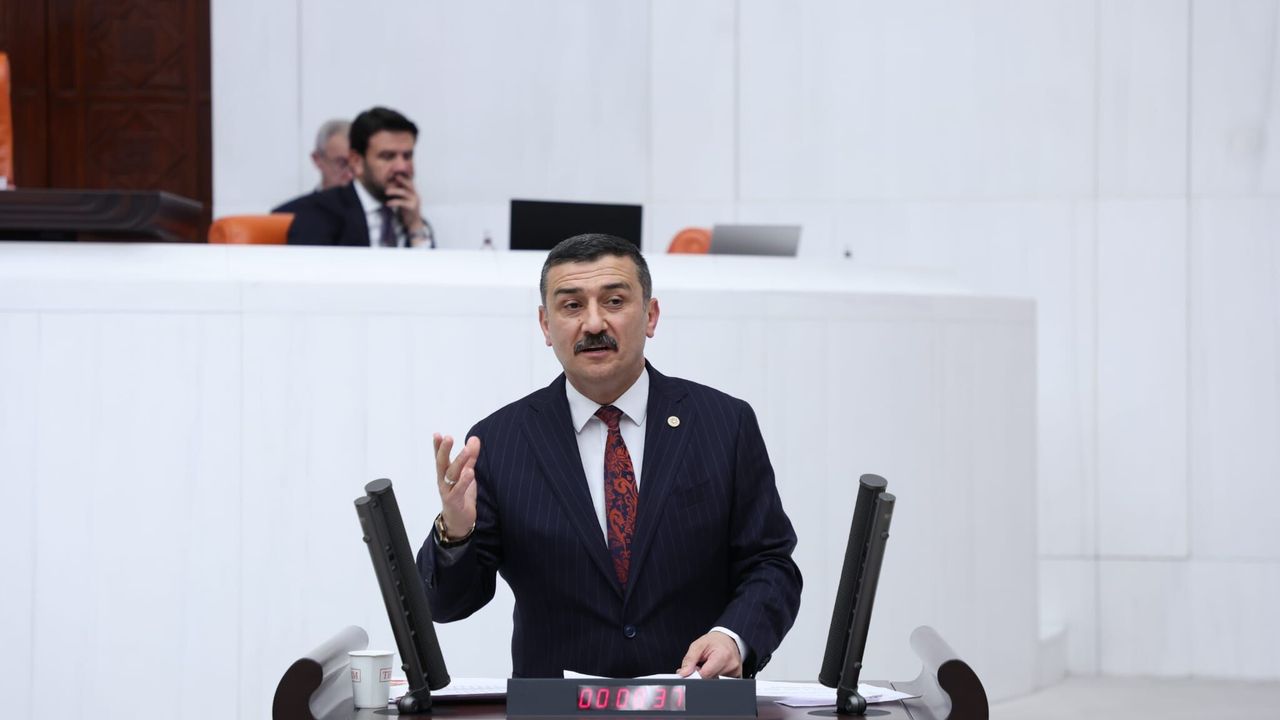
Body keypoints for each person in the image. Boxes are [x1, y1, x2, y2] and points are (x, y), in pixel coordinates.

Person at [417, 234, 801, 679]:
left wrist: (733, 636)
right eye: (572, 306)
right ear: (546, 325)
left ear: (651, 316)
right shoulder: (500, 441)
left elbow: (771, 564)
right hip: (555, 707)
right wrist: (455, 532)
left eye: (614, 301)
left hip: (695, 696)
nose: (594, 323)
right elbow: (446, 605)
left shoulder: (723, 424)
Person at [283, 106, 434, 248]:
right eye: (388, 157)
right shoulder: (315, 213)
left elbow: (430, 267)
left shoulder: (412, 218)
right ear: (356, 162)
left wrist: (415, 226)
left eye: (407, 156)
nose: (401, 167)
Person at [272, 119, 352, 212]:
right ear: (317, 160)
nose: (351, 174)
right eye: (342, 163)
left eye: (358, 163)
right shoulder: (290, 215)